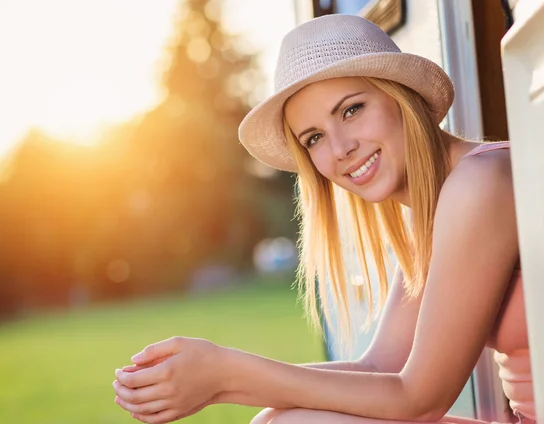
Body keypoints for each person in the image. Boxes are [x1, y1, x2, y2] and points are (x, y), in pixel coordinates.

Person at [112, 14, 533, 424]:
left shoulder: (481, 183)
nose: (340, 148)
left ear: (401, 96)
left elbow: (420, 398)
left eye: (351, 110)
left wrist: (224, 374)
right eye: (313, 138)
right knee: (282, 420)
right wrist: (214, 382)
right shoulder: (438, 209)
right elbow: (382, 369)